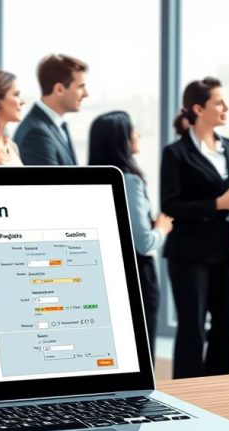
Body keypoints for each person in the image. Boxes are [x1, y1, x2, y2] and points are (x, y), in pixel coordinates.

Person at [161, 77, 229, 379]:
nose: (226, 107)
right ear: (198, 109)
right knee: (192, 328)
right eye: (219, 103)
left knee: (226, 326)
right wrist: (217, 204)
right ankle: (188, 396)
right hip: (190, 254)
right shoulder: (175, 153)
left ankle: (221, 393)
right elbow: (171, 205)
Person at [88, 111, 173, 361]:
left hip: (107, 274)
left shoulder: (94, 179)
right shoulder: (131, 181)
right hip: (139, 275)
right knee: (143, 355)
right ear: (121, 140)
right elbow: (143, 242)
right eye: (133, 129)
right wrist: (162, 228)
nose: (138, 134)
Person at [13, 54, 88, 166]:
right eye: (80, 87)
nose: (86, 94)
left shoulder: (53, 126)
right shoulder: (37, 134)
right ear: (59, 89)